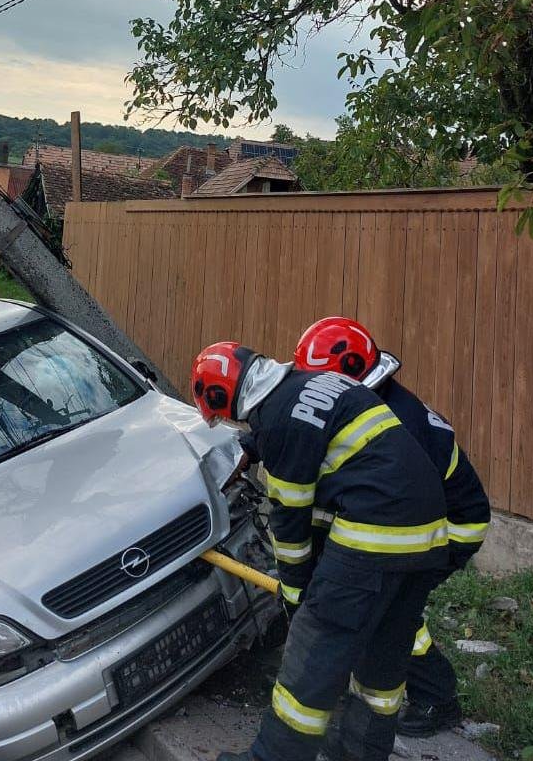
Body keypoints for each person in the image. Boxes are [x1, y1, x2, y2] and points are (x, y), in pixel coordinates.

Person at [191, 343, 448, 761]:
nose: (224, 419)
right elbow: (310, 427)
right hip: (428, 534)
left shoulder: (279, 422)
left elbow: (290, 527)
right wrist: (254, 446)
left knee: (316, 649)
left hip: (373, 535)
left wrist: (297, 597)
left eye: (220, 411)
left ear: (223, 396)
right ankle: (360, 751)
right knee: (384, 657)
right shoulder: (315, 383)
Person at [293, 317, 491, 737]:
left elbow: (394, 499)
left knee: (390, 610)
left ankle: (437, 697)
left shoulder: (399, 421)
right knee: (385, 603)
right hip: (426, 517)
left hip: (452, 526)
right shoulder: (374, 401)